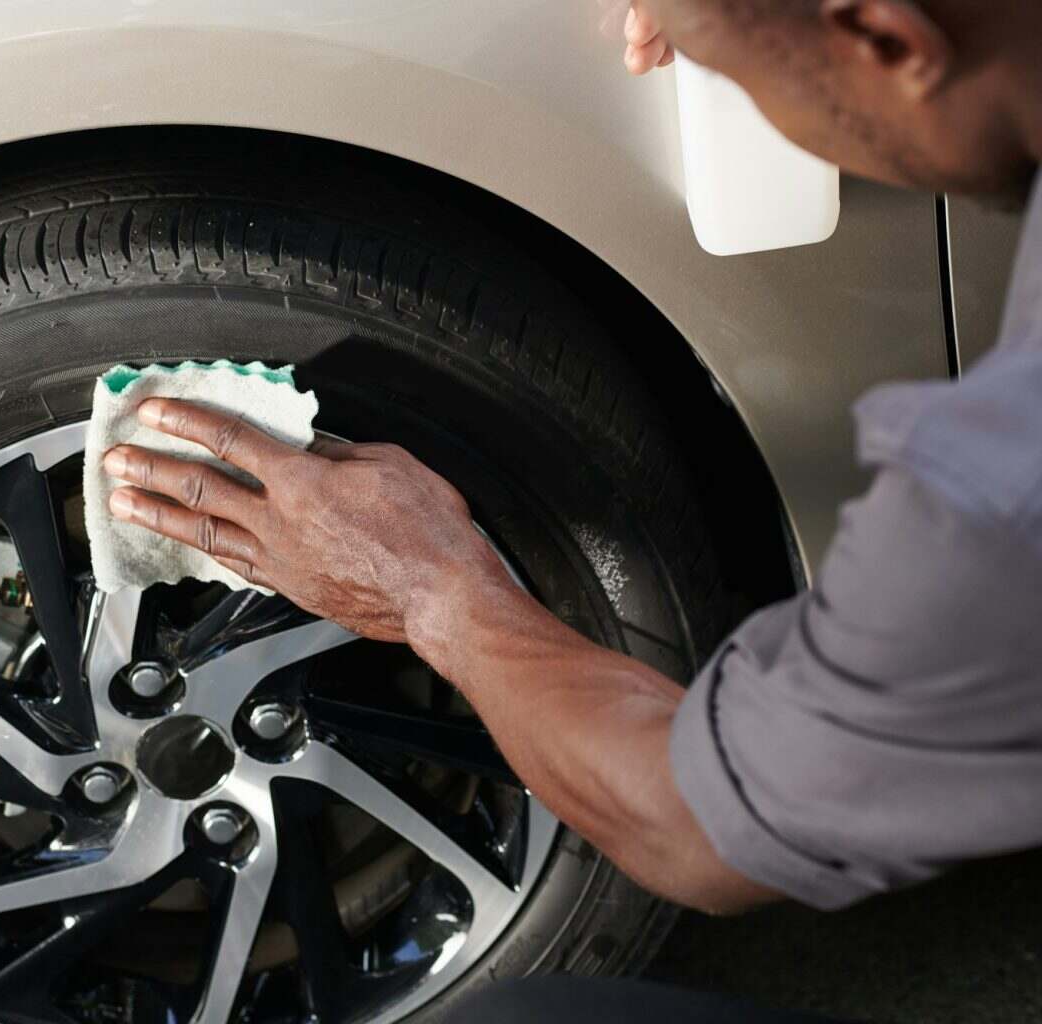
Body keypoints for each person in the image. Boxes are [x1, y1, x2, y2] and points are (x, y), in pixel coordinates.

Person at [99, 1, 1042, 1019]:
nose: (756, 111)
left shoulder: (1002, 492)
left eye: (744, 85)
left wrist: (431, 588)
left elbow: (692, 824)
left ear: (890, 40)